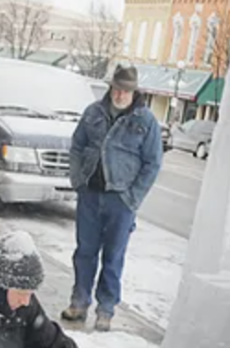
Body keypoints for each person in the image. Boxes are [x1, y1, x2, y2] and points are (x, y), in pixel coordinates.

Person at [64, 64, 162, 332]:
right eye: (117, 89)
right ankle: (79, 302)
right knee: (84, 252)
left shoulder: (145, 121)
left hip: (121, 200)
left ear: (134, 91)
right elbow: (77, 146)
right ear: (111, 88)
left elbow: (152, 163)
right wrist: (77, 179)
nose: (120, 94)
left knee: (113, 256)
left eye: (125, 90)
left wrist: (132, 198)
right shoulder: (93, 112)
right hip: (90, 195)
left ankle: (106, 309)